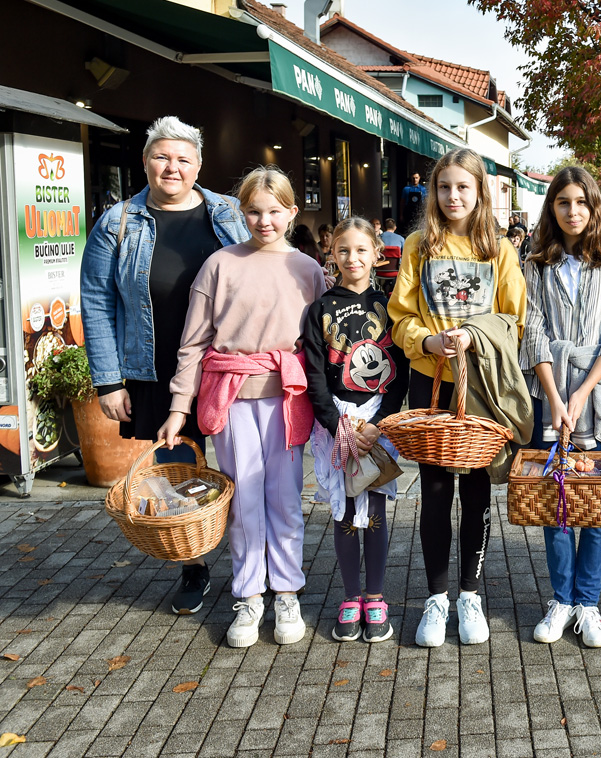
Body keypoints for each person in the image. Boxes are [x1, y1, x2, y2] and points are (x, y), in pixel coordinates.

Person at [80, 115, 250, 616]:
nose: (172, 167)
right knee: (178, 470)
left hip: (225, 364)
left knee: (242, 463)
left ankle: (255, 562)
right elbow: (96, 301)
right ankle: (193, 563)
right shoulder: (118, 222)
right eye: (161, 157)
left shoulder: (228, 213)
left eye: (182, 159)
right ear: (145, 161)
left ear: (198, 165)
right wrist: (108, 381)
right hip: (154, 367)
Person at [158, 166, 327, 648]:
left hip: (288, 398)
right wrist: (178, 407)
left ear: (292, 212)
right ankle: (249, 594)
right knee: (244, 499)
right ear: (240, 212)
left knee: (285, 497)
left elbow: (323, 343)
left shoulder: (308, 270)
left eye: (274, 211)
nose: (264, 221)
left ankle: (287, 591)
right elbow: (193, 342)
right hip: (230, 399)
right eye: (253, 211)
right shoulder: (220, 265)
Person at [388, 148, 526, 647]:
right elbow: (400, 316)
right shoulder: (418, 245)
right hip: (431, 382)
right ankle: (436, 597)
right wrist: (426, 341)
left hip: (481, 384)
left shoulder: (500, 250)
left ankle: (470, 594)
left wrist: (474, 335)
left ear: (480, 192)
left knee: (476, 490)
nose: (453, 196)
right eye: (444, 187)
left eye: (463, 187)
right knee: (434, 491)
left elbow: (514, 320)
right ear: (433, 191)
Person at [521, 165, 601, 649]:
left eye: (582, 202)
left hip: (599, 392)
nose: (573, 211)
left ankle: (588, 602)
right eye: (563, 202)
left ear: (594, 207)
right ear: (552, 207)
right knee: (556, 496)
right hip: (548, 389)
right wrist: (554, 396)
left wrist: (583, 390)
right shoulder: (536, 261)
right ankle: (561, 599)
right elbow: (533, 330)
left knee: (595, 497)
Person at [304, 217, 408, 644]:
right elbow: (314, 374)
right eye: (343, 250)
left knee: (376, 507)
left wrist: (380, 424)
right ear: (331, 254)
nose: (353, 258)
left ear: (377, 254)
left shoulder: (392, 307)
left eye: (362, 250)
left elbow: (400, 372)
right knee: (345, 510)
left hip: (377, 419)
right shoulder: (319, 309)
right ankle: (350, 597)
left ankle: (376, 596)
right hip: (338, 422)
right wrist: (338, 423)